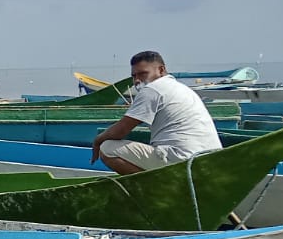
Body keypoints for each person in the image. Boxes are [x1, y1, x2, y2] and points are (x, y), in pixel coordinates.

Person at [91, 50, 222, 174]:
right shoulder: (181, 88)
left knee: (107, 148)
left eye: (143, 74)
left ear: (161, 70)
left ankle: (159, 184)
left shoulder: (152, 89)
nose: (137, 80)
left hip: (182, 159)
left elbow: (122, 130)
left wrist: (97, 141)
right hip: (209, 158)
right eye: (134, 76)